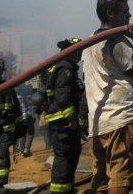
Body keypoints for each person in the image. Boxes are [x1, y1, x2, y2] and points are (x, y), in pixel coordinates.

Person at [82, 0, 133, 194]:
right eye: (125, 11)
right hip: (120, 119)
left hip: (97, 123)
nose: (129, 15)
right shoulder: (116, 41)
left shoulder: (90, 41)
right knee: (120, 177)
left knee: (101, 179)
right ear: (110, 13)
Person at [44, 37, 88, 194]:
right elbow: (63, 97)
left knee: (69, 153)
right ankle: (60, 191)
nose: (80, 55)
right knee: (64, 156)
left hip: (59, 119)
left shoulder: (59, 66)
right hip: (62, 120)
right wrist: (71, 119)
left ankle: (66, 189)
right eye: (79, 51)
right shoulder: (65, 69)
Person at [0, 58, 27, 189]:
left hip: (3, 132)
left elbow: (16, 108)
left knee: (1, 157)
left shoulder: (7, 87)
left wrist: (20, 125)